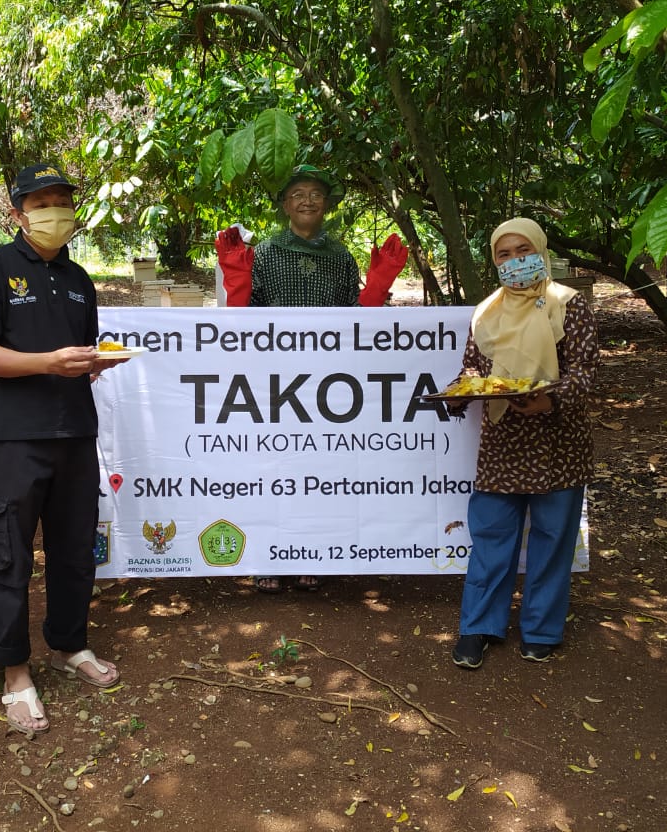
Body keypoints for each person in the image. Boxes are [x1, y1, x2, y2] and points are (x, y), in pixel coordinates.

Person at [0, 163, 122, 735]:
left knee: (76, 550)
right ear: (17, 214)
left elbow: (81, 353)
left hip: (76, 434)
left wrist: (91, 364)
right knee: (9, 557)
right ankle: (14, 672)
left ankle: (68, 645)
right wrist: (49, 362)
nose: (55, 211)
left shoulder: (78, 279)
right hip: (12, 440)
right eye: (42, 201)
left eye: (62, 201)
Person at [215, 164, 409, 592]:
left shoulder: (340, 256)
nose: (307, 200)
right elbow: (244, 320)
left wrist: (377, 286)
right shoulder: (264, 252)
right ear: (285, 204)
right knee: (269, 467)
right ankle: (267, 555)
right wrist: (236, 279)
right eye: (298, 193)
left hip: (326, 379)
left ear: (327, 204)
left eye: (316, 193)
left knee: (319, 467)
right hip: (273, 376)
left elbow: (353, 321)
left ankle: (313, 553)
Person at [448, 217, 599, 669]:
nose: (515, 261)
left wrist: (550, 402)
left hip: (559, 443)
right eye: (504, 254)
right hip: (503, 444)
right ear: (494, 261)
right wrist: (460, 392)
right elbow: (474, 368)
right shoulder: (486, 312)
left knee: (553, 541)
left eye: (523, 251)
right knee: (491, 537)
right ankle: (478, 628)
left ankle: (542, 630)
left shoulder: (569, 305)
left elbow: (585, 374)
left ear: (541, 251)